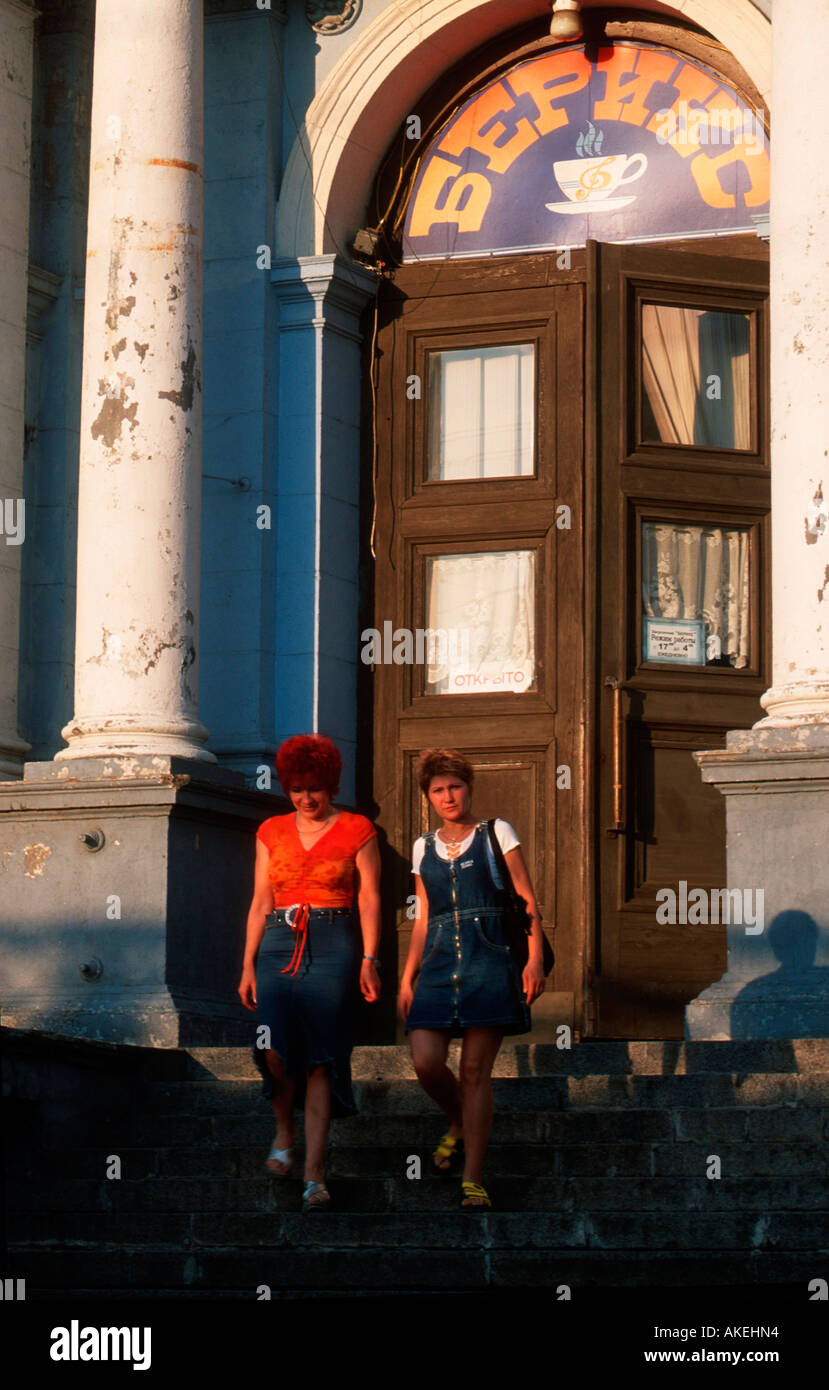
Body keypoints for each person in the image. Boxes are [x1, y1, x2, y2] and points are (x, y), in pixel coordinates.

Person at [398, 749, 547, 1210]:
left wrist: (535, 958)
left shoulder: (495, 832)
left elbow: (526, 898)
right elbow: (423, 916)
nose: (448, 796)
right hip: (440, 961)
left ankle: (473, 1178)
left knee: (475, 1070)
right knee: (425, 1061)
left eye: (455, 787)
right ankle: (458, 1120)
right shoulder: (423, 847)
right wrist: (407, 977)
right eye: (438, 789)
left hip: (490, 956)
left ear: (469, 788)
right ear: (428, 796)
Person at [238, 734, 381, 1212]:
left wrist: (369, 958)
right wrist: (247, 964)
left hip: (334, 941)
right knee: (270, 1047)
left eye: (315, 788)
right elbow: (260, 900)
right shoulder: (270, 831)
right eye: (297, 789)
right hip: (278, 941)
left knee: (321, 1058)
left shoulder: (359, 828)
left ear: (331, 784)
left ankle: (314, 1173)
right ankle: (284, 1128)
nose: (306, 798)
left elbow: (370, 898)